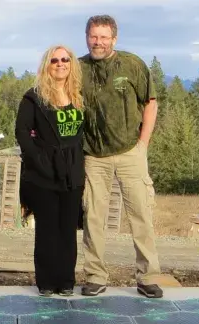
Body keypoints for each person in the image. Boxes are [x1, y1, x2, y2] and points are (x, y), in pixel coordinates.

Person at [78, 14, 164, 298]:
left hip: (130, 152)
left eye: (103, 37)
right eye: (93, 36)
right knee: (93, 217)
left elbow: (150, 104)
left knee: (140, 214)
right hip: (93, 155)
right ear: (87, 37)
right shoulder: (78, 68)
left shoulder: (132, 64)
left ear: (114, 38)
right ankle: (95, 275)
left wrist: (143, 144)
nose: (98, 42)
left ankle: (148, 277)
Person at [14, 44, 87, 297]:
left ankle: (66, 281)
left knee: (67, 229)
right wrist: (39, 159)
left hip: (73, 172)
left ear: (71, 63)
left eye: (65, 59)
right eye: (54, 60)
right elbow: (22, 132)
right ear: (47, 65)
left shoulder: (80, 96)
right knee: (47, 229)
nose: (60, 64)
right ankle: (46, 281)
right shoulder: (33, 97)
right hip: (43, 174)